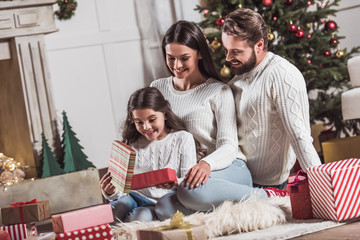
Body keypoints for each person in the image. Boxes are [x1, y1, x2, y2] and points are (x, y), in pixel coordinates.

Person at [151, 20, 284, 220]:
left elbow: (229, 145)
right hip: (187, 176)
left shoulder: (218, 91)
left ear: (200, 53)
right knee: (163, 208)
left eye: (184, 58)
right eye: (171, 58)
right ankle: (228, 214)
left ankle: (268, 195)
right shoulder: (157, 89)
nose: (176, 65)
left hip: (226, 166)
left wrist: (206, 164)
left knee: (189, 192)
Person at [221, 8, 322, 189]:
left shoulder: (283, 74)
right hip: (237, 173)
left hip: (268, 184)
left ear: (259, 45)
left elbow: (300, 137)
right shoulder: (236, 81)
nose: (228, 58)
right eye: (226, 50)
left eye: (235, 51)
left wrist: (323, 185)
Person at [99, 87, 197, 222]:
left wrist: (174, 183)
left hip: (159, 202)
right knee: (115, 211)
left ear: (165, 114)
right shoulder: (132, 143)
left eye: (152, 119)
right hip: (131, 196)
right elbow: (122, 188)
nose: (146, 127)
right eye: (139, 122)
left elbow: (188, 181)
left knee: (139, 218)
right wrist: (111, 191)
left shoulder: (183, 139)